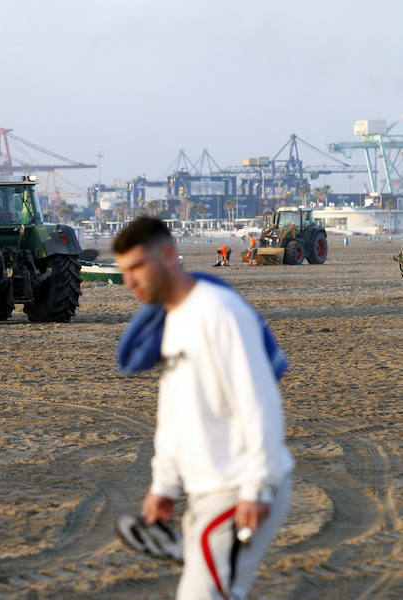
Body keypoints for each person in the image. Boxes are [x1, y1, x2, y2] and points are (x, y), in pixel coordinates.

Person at [113, 217, 294, 600]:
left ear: (167, 255)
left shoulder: (219, 312)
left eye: (137, 268)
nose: (129, 281)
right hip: (208, 492)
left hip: (237, 490)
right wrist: (164, 485)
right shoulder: (174, 318)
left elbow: (258, 402)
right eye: (123, 271)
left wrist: (256, 488)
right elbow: (175, 414)